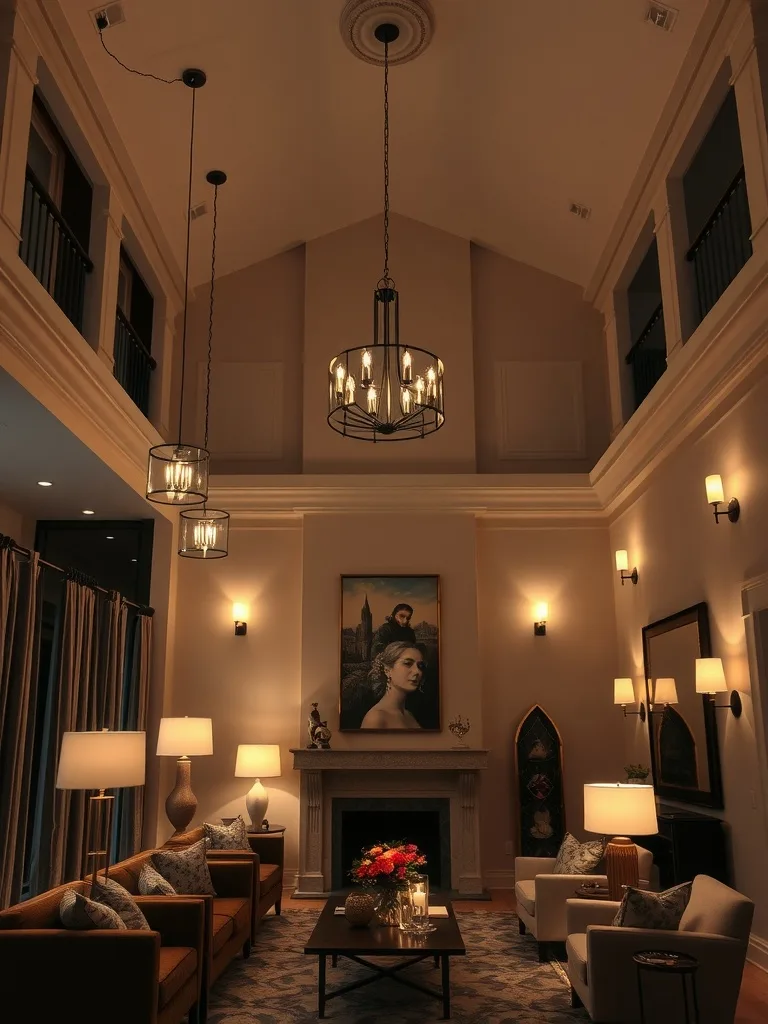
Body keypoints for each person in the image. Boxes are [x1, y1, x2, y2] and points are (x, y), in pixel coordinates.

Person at [360, 641, 425, 729]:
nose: (417, 671)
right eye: (407, 663)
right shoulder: (376, 718)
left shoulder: (408, 715)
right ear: (387, 670)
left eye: (420, 666)